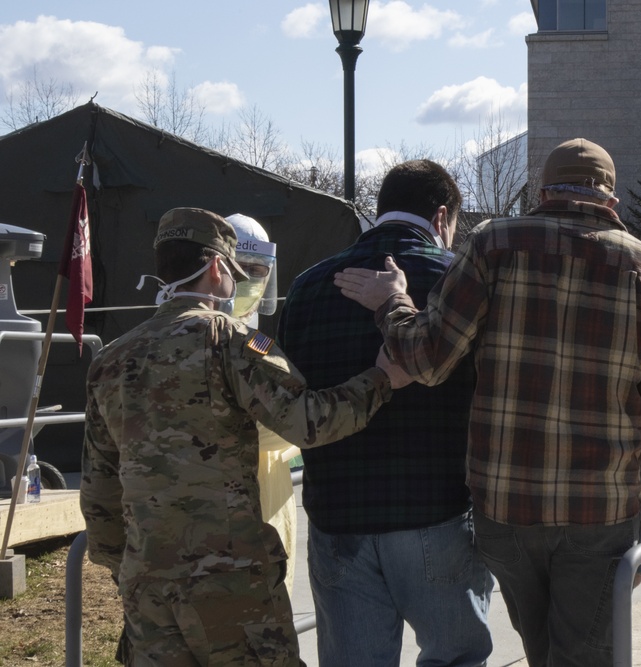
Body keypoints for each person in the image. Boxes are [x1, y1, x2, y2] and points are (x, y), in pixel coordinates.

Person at [335, 138, 641, 667]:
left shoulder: (492, 244)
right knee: (587, 655)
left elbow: (428, 360)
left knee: (540, 648)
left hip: (506, 508)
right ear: (610, 200)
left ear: (544, 191)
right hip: (602, 510)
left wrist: (392, 302)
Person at [80, 207, 409, 667]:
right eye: (234, 272)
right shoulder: (231, 340)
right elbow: (308, 421)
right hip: (229, 587)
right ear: (217, 268)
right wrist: (381, 379)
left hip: (147, 585)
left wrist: (125, 566)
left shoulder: (111, 359)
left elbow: (98, 488)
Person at [278, 160, 493, 667]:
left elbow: (281, 380)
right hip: (436, 509)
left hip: (337, 514)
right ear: (442, 217)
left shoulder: (307, 287)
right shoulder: (461, 283)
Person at [225, 213, 300, 596]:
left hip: (270, 498)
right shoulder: (203, 333)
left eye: (258, 270)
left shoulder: (256, 340)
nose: (250, 280)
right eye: (242, 269)